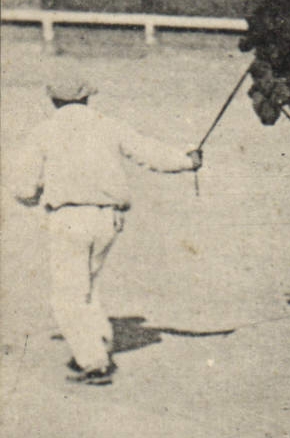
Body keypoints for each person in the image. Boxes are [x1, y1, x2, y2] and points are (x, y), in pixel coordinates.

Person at [11, 78, 201, 385]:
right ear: (87, 98)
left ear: (53, 101)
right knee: (88, 285)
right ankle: (95, 344)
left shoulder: (43, 131)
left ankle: (93, 361)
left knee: (68, 295)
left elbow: (23, 187)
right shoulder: (108, 125)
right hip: (107, 221)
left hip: (68, 219)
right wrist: (186, 161)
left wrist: (33, 196)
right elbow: (149, 152)